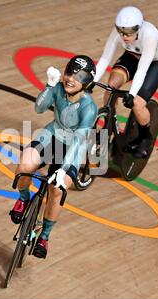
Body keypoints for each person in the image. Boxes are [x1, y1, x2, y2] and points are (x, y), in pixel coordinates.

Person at [8, 55, 98, 259]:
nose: (70, 79)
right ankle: (23, 200)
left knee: (57, 190)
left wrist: (65, 169)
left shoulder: (89, 107)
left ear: (87, 83)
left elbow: (78, 141)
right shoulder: (58, 88)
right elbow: (39, 108)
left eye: (78, 76)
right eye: (69, 73)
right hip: (51, 136)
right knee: (25, 165)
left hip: (72, 149)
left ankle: (45, 237)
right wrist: (48, 85)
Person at [94, 6, 158, 158]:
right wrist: (93, 80)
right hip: (132, 56)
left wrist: (132, 94)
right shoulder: (119, 32)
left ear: (139, 28)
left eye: (129, 33)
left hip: (155, 62)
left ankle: (145, 137)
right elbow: (105, 58)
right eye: (121, 32)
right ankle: (109, 124)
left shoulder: (149, 35)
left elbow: (142, 70)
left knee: (137, 103)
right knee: (110, 88)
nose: (124, 36)